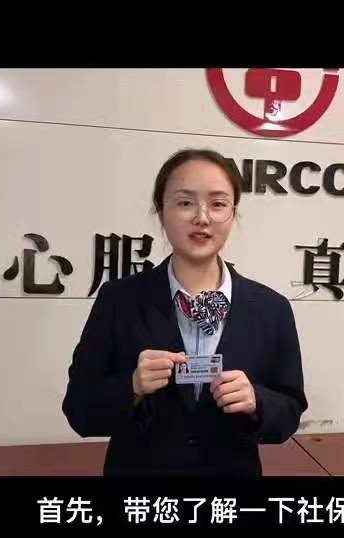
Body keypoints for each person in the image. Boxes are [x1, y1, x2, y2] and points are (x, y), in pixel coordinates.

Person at [62, 148, 307, 477]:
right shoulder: (118, 301)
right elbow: (79, 411)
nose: (202, 218)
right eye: (185, 202)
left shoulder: (270, 309)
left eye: (218, 204)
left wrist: (256, 401)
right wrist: (131, 385)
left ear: (233, 214)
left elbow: (290, 411)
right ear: (161, 211)